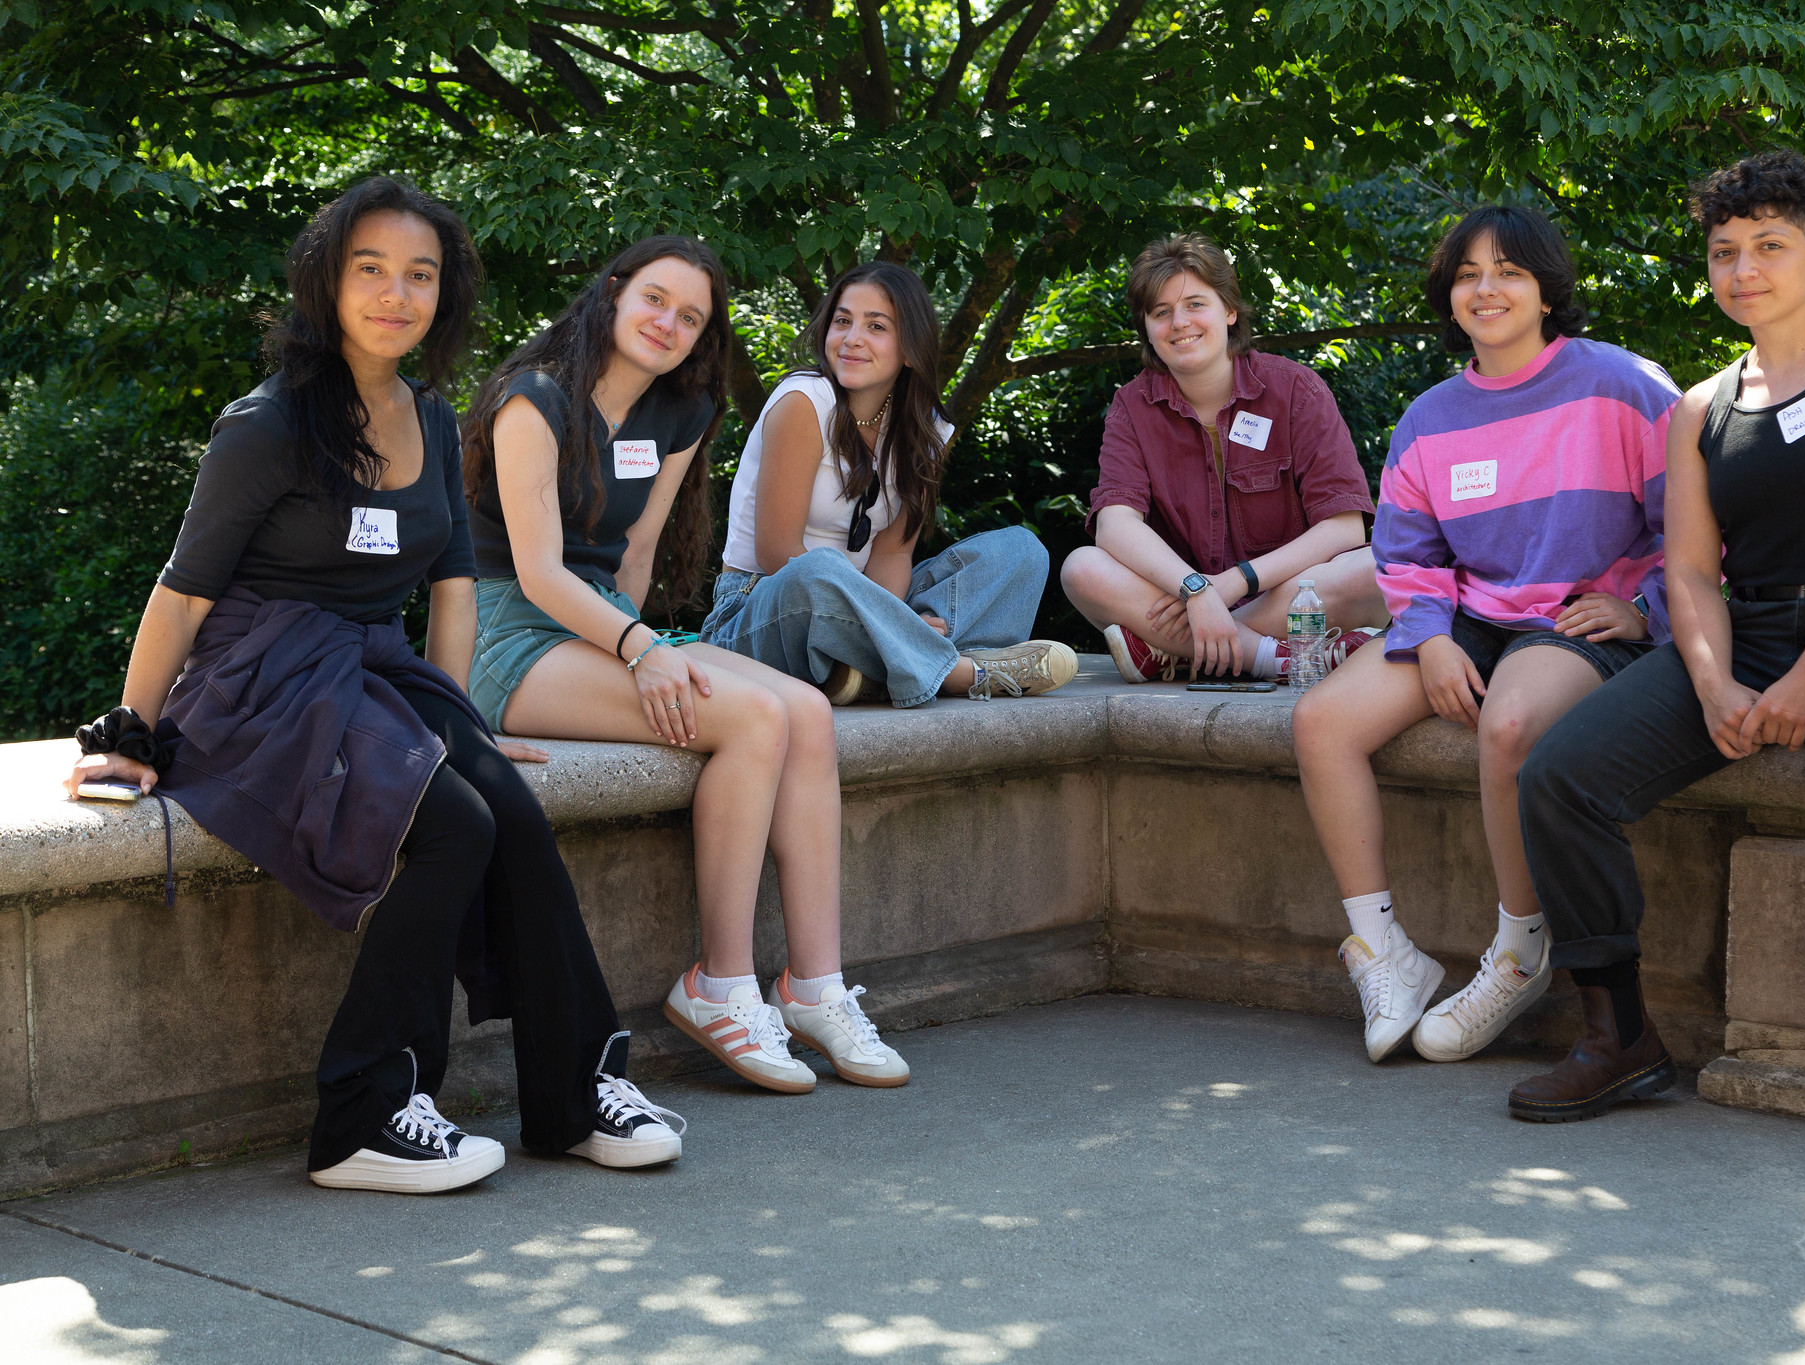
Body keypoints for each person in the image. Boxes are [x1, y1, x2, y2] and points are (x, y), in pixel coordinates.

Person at [65, 178, 681, 1195]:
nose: (396, 293)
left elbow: (449, 589)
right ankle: (366, 1112)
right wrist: (130, 729)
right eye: (371, 270)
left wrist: (462, 728)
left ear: (444, 295)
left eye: (420, 275)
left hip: (368, 667)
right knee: (450, 827)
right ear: (325, 281)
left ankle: (575, 1093)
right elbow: (180, 596)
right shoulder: (266, 425)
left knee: (508, 812)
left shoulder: (431, 418)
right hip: (260, 680)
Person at [1512, 151, 1805, 1145]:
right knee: (1558, 774)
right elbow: (1686, 574)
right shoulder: (1698, 408)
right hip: (1741, 627)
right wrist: (1713, 683)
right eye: (1724, 251)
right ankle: (1618, 1031)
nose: (1742, 268)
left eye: (1768, 245)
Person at [462, 238, 909, 1095]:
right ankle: (720, 983)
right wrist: (642, 653)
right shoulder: (535, 399)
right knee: (749, 717)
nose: (669, 323)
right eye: (656, 300)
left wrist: (645, 645)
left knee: (806, 714)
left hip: (606, 627)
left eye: (692, 316)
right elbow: (539, 572)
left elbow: (630, 558)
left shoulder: (681, 409)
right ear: (615, 293)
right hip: (514, 638)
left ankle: (814, 987)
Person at [1293, 206, 1680, 1064]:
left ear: (1547, 288)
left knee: (1508, 724)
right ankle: (1383, 951)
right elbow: (1405, 551)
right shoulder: (1431, 417)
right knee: (1322, 721)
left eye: (1507, 269)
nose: (1486, 288)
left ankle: (1519, 951)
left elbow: (1698, 520)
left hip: (1581, 617)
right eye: (1468, 273)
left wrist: (1647, 607)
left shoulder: (1623, 384)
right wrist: (1429, 637)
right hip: (1471, 619)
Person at [700, 261, 1076, 705]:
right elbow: (777, 553)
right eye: (842, 321)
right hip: (759, 607)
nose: (852, 338)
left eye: (876, 326)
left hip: (862, 604)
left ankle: (869, 669)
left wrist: (891, 617)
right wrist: (893, 620)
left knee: (1021, 552)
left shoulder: (925, 431)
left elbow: (893, 553)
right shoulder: (804, 402)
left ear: (910, 349)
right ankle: (955, 671)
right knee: (819, 568)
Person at [1061, 233, 1385, 684]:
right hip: (1180, 597)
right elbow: (1115, 525)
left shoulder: (1296, 390)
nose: (1179, 323)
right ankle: (1278, 659)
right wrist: (1196, 590)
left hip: (1281, 596)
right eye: (1161, 312)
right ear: (1147, 329)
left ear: (1229, 311)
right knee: (1082, 569)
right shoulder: (1131, 408)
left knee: (1381, 569)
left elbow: (1345, 526)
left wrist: (1231, 584)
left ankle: (1178, 653)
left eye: (1195, 304)